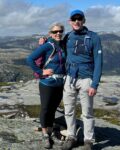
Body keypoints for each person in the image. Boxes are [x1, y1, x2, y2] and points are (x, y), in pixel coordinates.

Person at [62, 10, 103, 150]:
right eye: (74, 19)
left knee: (87, 112)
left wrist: (95, 83)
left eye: (79, 19)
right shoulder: (67, 37)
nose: (77, 21)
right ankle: (71, 136)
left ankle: (88, 141)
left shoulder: (94, 37)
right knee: (68, 110)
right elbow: (56, 45)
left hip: (86, 79)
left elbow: (99, 62)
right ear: (70, 21)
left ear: (84, 20)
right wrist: (45, 41)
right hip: (70, 78)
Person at [26, 22, 66, 149]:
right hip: (47, 82)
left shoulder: (63, 45)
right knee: (45, 108)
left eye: (60, 31)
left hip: (60, 83)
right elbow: (30, 59)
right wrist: (41, 71)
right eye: (55, 32)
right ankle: (44, 135)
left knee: (53, 108)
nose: (58, 33)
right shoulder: (48, 46)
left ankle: (50, 132)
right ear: (51, 34)